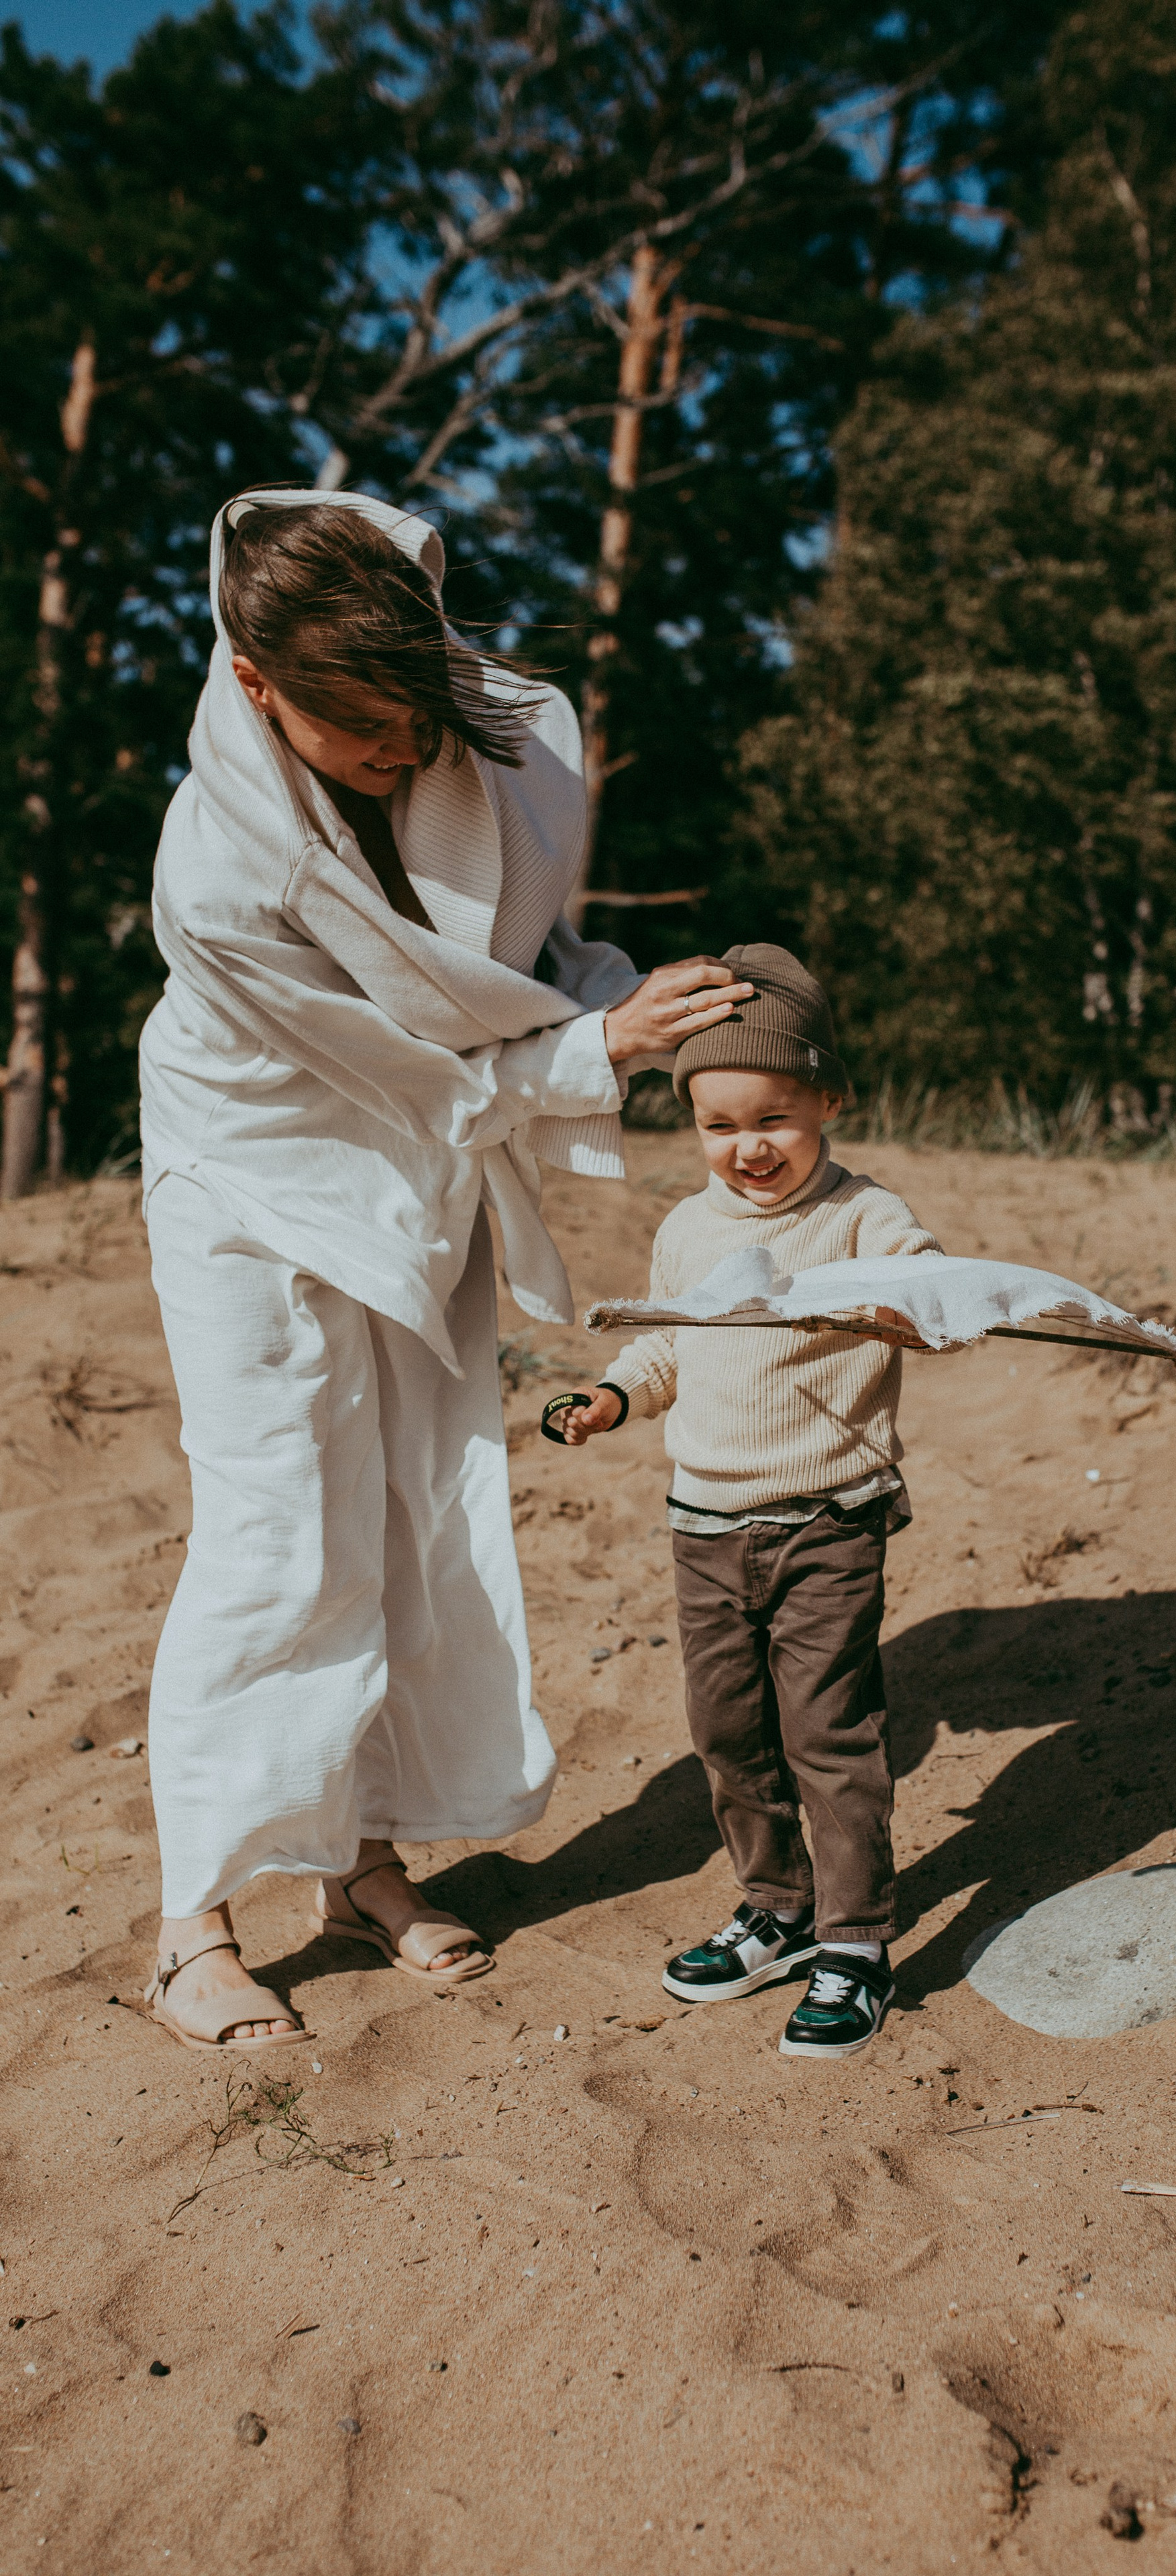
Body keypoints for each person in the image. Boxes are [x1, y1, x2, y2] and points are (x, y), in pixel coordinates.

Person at [139, 486, 749, 2051]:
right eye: (362, 737)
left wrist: (648, 1010)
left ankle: (361, 1865)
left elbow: (518, 970)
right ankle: (189, 1918)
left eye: (419, 718)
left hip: (422, 1172)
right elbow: (422, 1069)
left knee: (414, 1508)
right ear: (258, 687)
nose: (404, 757)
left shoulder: (510, 734)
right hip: (256, 1173)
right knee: (279, 1525)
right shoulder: (215, 878)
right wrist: (595, 1053)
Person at [547, 945, 941, 2059]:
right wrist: (611, 1397)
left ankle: (856, 1939)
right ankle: (777, 1908)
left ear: (829, 1101)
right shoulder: (688, 1228)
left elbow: (928, 1287)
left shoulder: (865, 1218)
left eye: (775, 1117)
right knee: (728, 1732)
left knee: (829, 1732)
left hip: (828, 1518)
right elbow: (672, 1348)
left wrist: (902, 1305)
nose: (749, 1147)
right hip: (705, 1524)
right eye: (720, 1125)